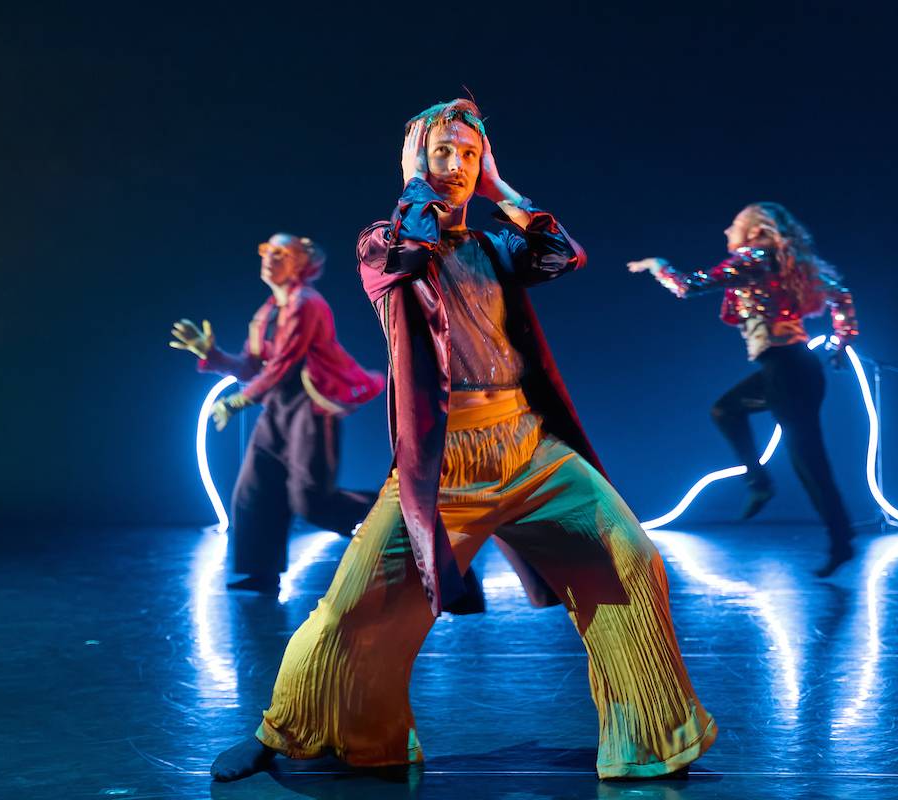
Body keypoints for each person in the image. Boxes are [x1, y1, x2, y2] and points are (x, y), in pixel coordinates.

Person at [210, 99, 716, 782]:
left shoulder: (491, 247)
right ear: (415, 161)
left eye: (468, 155)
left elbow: (562, 254)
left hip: (531, 449)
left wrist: (501, 190)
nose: (456, 167)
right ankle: (287, 731)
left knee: (628, 560)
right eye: (441, 152)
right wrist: (423, 181)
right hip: (446, 462)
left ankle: (650, 739)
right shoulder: (380, 243)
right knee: (357, 601)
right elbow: (404, 256)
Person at [628, 202, 859, 577]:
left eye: (734, 225)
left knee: (808, 461)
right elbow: (840, 294)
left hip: (787, 370)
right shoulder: (786, 264)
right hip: (792, 368)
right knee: (727, 412)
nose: (726, 232)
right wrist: (841, 343)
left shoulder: (752, 258)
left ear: (753, 232)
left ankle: (838, 538)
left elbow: (689, 286)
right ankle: (767, 487)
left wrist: (658, 266)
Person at [170, 234, 385, 592]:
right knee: (255, 490)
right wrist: (211, 352)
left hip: (311, 409)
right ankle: (262, 572)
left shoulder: (307, 304)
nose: (269, 258)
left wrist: (238, 402)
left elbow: (284, 364)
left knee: (311, 500)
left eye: (281, 253)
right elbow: (253, 367)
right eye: (265, 251)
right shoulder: (269, 311)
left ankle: (395, 518)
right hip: (277, 409)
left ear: (301, 262)